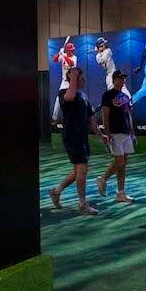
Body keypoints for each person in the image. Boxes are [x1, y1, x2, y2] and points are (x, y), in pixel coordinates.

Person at [48, 66, 108, 215]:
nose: (84, 80)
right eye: (81, 78)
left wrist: (101, 135)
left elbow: (92, 121)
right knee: (82, 169)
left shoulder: (84, 97)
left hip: (82, 136)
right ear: (73, 79)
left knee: (77, 171)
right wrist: (73, 76)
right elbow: (69, 97)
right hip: (71, 136)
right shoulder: (64, 93)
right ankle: (82, 204)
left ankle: (56, 191)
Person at [96, 70, 137, 203]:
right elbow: (105, 114)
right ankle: (103, 178)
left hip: (126, 133)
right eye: (120, 78)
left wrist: (132, 133)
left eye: (123, 78)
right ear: (114, 80)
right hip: (115, 133)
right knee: (120, 162)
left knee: (123, 164)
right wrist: (107, 133)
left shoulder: (125, 96)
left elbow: (128, 115)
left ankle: (121, 193)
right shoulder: (107, 95)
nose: (122, 81)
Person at [51, 38, 77, 122]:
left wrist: (64, 56)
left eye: (72, 50)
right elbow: (54, 59)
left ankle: (73, 119)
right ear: (67, 50)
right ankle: (54, 118)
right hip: (64, 81)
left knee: (72, 100)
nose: (72, 51)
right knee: (59, 99)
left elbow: (71, 63)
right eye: (70, 50)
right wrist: (59, 53)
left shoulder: (74, 58)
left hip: (71, 82)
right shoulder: (63, 55)